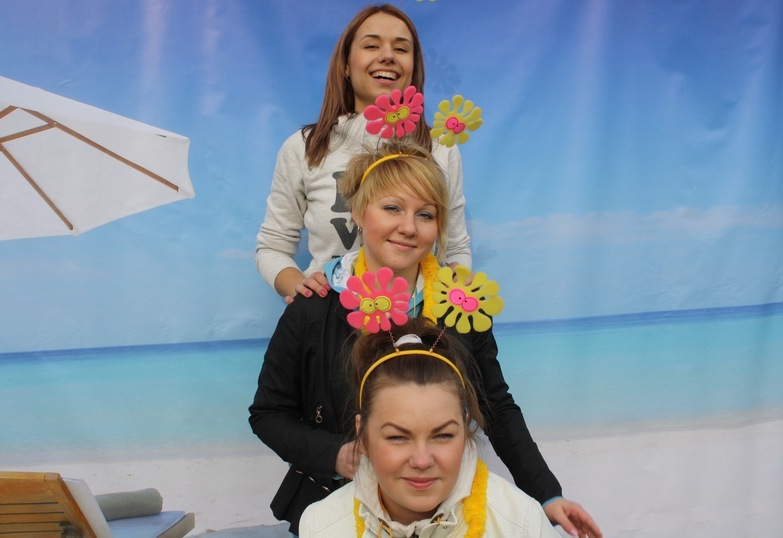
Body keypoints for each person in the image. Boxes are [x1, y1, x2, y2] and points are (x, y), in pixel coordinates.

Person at [249, 143, 601, 537]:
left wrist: (547, 495)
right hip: (339, 505)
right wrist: (335, 454)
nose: (408, 227)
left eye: (425, 214)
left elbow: (496, 408)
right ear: (358, 213)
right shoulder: (315, 306)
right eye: (392, 208)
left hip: (447, 511)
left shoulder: (460, 306)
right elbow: (268, 413)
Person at [255, 4, 472, 304]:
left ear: (413, 67)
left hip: (416, 319)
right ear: (345, 64)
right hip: (329, 317)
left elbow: (455, 248)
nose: (388, 55)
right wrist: (304, 294)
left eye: (401, 49)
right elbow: (272, 246)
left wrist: (457, 289)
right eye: (371, 45)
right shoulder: (304, 148)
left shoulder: (440, 148)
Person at [300, 318, 560, 537]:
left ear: (465, 429)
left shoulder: (519, 523)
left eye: (443, 435)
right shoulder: (322, 526)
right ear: (363, 435)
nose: (422, 460)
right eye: (398, 437)